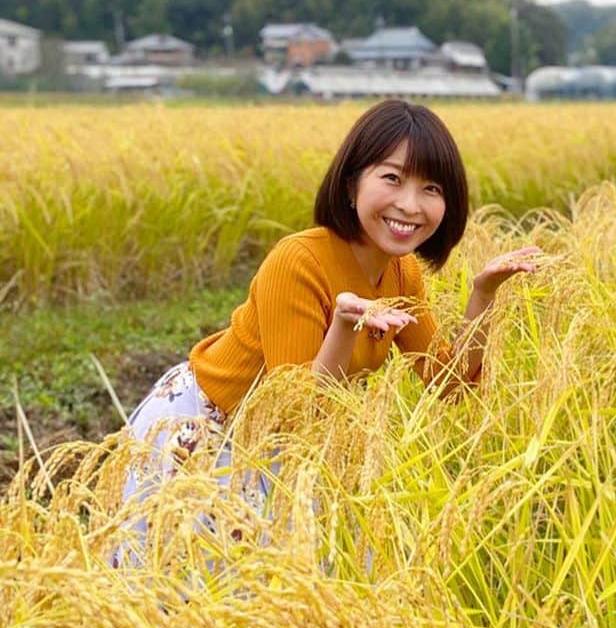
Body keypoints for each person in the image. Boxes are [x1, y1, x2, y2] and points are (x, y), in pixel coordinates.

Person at [115, 99, 540, 565]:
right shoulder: (297, 262)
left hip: (284, 443)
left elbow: (450, 383)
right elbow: (294, 409)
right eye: (392, 178)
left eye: (431, 188)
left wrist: (484, 294)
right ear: (351, 182)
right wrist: (342, 326)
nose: (410, 205)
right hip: (208, 430)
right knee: (186, 588)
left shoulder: (403, 276)